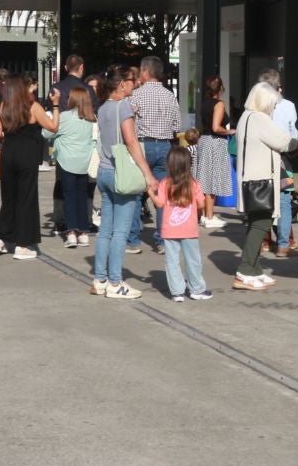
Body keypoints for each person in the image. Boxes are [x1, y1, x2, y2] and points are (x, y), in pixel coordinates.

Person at [92, 64, 158, 300]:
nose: (136, 82)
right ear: (122, 84)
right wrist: (148, 174)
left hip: (105, 170)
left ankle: (100, 278)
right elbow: (131, 142)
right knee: (120, 231)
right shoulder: (124, 107)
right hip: (122, 174)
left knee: (106, 230)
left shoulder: (104, 107)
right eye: (132, 80)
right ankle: (115, 282)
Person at [233, 81, 298, 292]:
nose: (273, 107)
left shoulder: (245, 117)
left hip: (250, 179)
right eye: (272, 103)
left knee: (255, 223)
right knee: (261, 223)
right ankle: (245, 269)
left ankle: (254, 267)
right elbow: (283, 142)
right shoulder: (260, 119)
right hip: (261, 180)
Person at [0, 75, 56, 260]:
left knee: (8, 197)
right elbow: (53, 126)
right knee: (26, 198)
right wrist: (56, 106)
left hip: (8, 153)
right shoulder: (32, 107)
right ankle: (22, 244)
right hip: (26, 153)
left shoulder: (2, 106)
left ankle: (2, 238)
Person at [126, 57, 182, 255]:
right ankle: (162, 239)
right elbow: (177, 126)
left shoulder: (136, 95)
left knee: (135, 192)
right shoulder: (170, 95)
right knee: (163, 194)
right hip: (165, 146)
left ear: (146, 72)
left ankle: (133, 240)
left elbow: (128, 121)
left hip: (143, 145)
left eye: (141, 71)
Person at [154, 144, 213, 301]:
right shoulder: (193, 183)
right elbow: (201, 204)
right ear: (188, 165)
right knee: (193, 260)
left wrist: (149, 192)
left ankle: (177, 292)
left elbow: (159, 204)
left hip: (169, 230)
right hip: (189, 229)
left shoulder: (164, 183)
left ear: (169, 164)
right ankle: (196, 289)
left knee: (172, 261)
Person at [259, 68, 298, 258]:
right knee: (284, 201)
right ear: (279, 87)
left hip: (260, 157)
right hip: (284, 158)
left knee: (261, 200)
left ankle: (263, 242)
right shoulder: (289, 106)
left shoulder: (256, 106)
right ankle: (283, 245)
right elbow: (293, 135)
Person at [50, 82, 96, 249]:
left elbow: (47, 131)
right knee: (82, 196)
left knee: (69, 197)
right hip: (85, 162)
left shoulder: (64, 117)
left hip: (67, 161)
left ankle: (71, 232)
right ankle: (83, 232)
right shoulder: (91, 119)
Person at [192, 76, 234, 232]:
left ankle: (205, 215)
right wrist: (230, 130)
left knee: (204, 178)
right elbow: (216, 127)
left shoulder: (204, 104)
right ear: (221, 89)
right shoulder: (219, 104)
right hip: (215, 142)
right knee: (213, 179)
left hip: (204, 140)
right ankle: (209, 216)